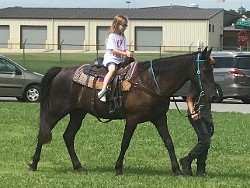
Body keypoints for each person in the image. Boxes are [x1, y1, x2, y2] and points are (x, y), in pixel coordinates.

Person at [179, 82, 215, 176]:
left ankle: (201, 170)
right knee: (205, 141)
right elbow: (189, 98)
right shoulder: (197, 82)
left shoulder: (210, 82)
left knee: (204, 141)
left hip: (206, 116)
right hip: (196, 116)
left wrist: (209, 118)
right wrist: (192, 112)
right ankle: (187, 160)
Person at [98, 15, 133, 102]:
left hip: (120, 60)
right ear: (117, 25)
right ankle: (103, 90)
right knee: (112, 70)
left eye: (126, 25)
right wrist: (125, 53)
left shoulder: (123, 37)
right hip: (111, 59)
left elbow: (124, 48)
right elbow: (114, 50)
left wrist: (128, 51)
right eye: (123, 25)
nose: (125, 27)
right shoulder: (112, 36)